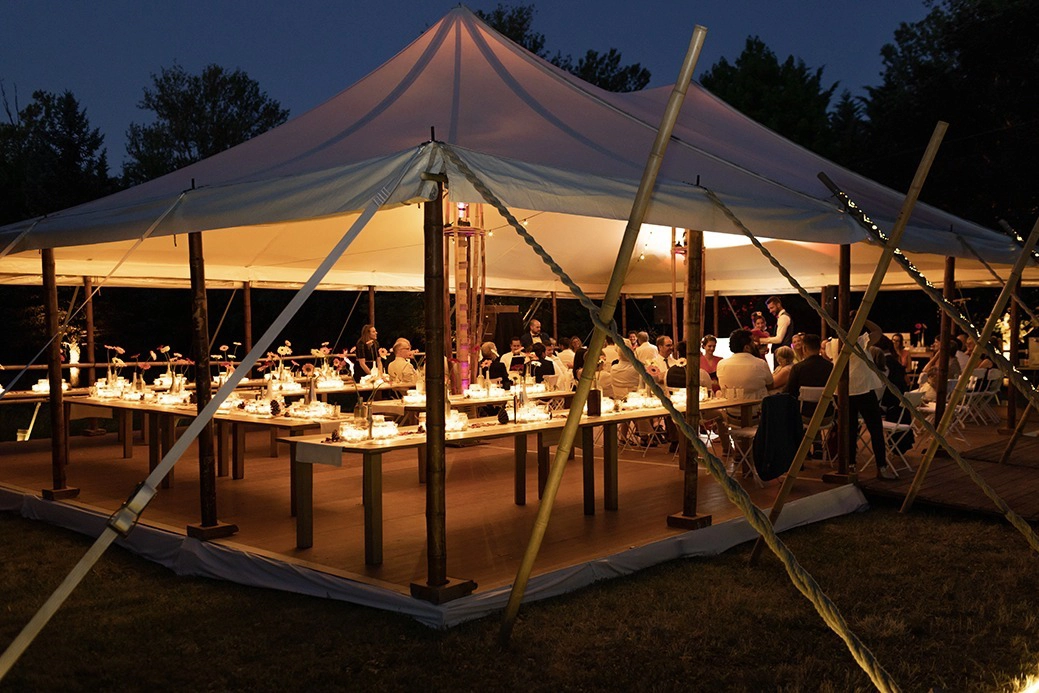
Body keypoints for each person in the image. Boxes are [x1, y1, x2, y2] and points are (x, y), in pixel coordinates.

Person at [835, 322, 898, 480]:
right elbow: (878, 330)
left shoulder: (834, 342)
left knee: (849, 429)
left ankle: (850, 466)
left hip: (844, 390)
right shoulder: (862, 340)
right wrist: (863, 319)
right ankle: (881, 467)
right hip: (862, 388)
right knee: (875, 429)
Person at [716, 328, 773, 400]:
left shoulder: (721, 364)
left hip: (730, 408)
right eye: (752, 342)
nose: (755, 344)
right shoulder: (760, 364)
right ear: (746, 347)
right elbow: (770, 385)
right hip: (756, 408)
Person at [785, 333, 833, 416]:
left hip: (803, 414)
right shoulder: (830, 367)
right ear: (819, 348)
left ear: (804, 348)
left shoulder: (798, 368)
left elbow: (790, 391)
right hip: (826, 413)